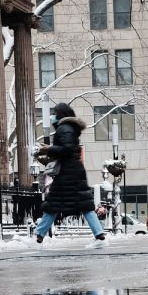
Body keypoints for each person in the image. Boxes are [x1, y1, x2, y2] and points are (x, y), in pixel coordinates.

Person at [33, 103, 108, 249]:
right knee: (82, 204)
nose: (52, 116)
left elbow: (66, 149)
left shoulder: (64, 128)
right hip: (72, 171)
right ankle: (99, 236)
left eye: (55, 112)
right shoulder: (69, 128)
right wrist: (50, 149)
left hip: (68, 173)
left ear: (60, 114)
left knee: (53, 204)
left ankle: (38, 238)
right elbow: (68, 148)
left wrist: (48, 149)